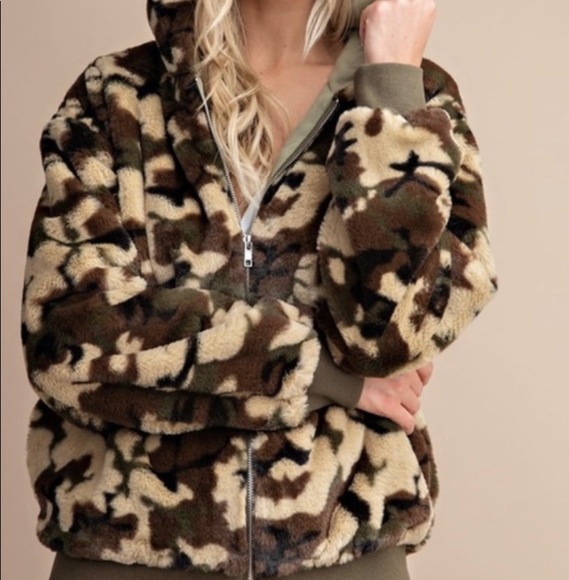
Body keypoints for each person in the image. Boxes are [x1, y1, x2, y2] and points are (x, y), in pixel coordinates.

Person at [20, 0, 498, 578]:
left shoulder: (419, 97)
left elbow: (398, 334)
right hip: (123, 549)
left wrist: (391, 89)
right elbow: (68, 338)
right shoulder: (117, 95)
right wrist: (318, 373)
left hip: (343, 555)